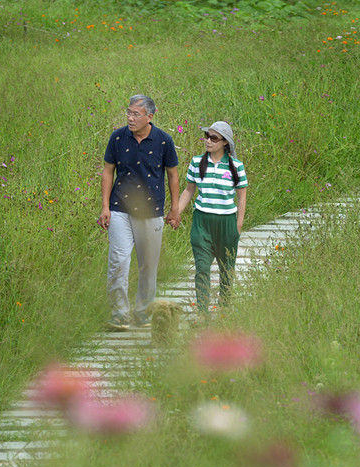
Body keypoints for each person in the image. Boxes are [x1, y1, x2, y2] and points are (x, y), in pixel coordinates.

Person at [98, 95, 181, 331]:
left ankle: (143, 311)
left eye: (136, 114)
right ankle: (119, 313)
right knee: (118, 261)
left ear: (150, 116)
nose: (130, 118)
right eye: (128, 112)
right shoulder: (117, 137)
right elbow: (107, 171)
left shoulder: (164, 141)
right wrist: (105, 206)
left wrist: (175, 208)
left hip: (151, 210)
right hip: (119, 208)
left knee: (148, 265)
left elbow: (173, 175)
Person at [175, 121, 248, 314]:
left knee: (226, 270)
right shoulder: (197, 162)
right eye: (207, 136)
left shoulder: (236, 166)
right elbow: (188, 191)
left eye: (213, 138)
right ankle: (202, 312)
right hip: (202, 222)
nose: (208, 141)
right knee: (202, 268)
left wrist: (238, 227)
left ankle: (224, 310)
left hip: (227, 222)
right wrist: (176, 213)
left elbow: (242, 197)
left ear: (225, 142)